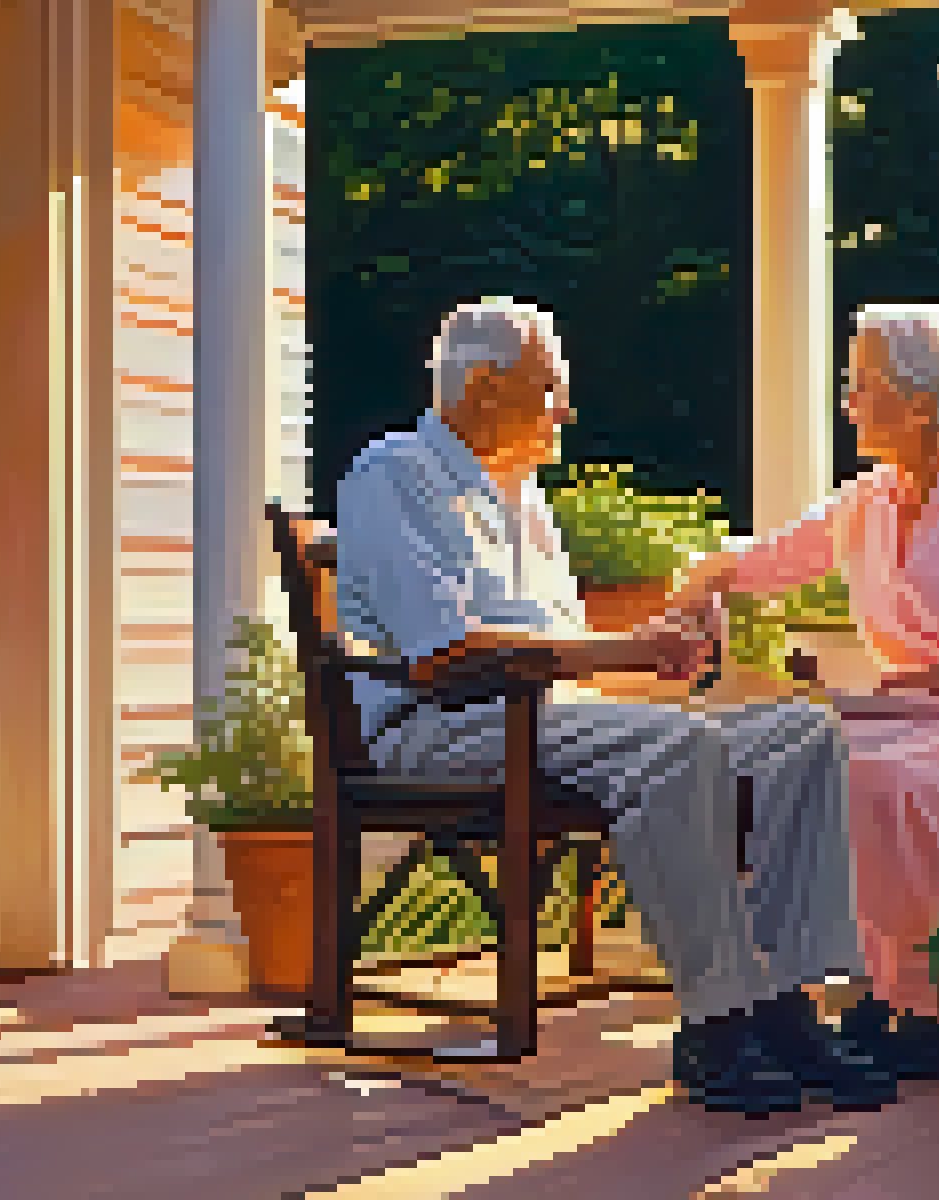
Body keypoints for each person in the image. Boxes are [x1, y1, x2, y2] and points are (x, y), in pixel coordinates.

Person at [335, 297, 897, 1115]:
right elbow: (445, 651)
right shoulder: (393, 475)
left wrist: (665, 656)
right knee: (677, 751)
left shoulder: (526, 504)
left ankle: (786, 1005)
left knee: (799, 733)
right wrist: (630, 653)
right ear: (485, 389)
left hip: (543, 723)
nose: (566, 407)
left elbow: (571, 670)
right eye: (550, 386)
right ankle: (717, 1023)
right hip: (436, 725)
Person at [661, 303, 939, 1080]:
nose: (848, 403)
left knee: (876, 772)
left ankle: (919, 1006)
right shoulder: (861, 503)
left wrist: (889, 696)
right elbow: (761, 562)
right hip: (884, 716)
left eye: (861, 384)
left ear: (917, 400)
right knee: (788, 764)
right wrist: (700, 581)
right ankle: (782, 998)